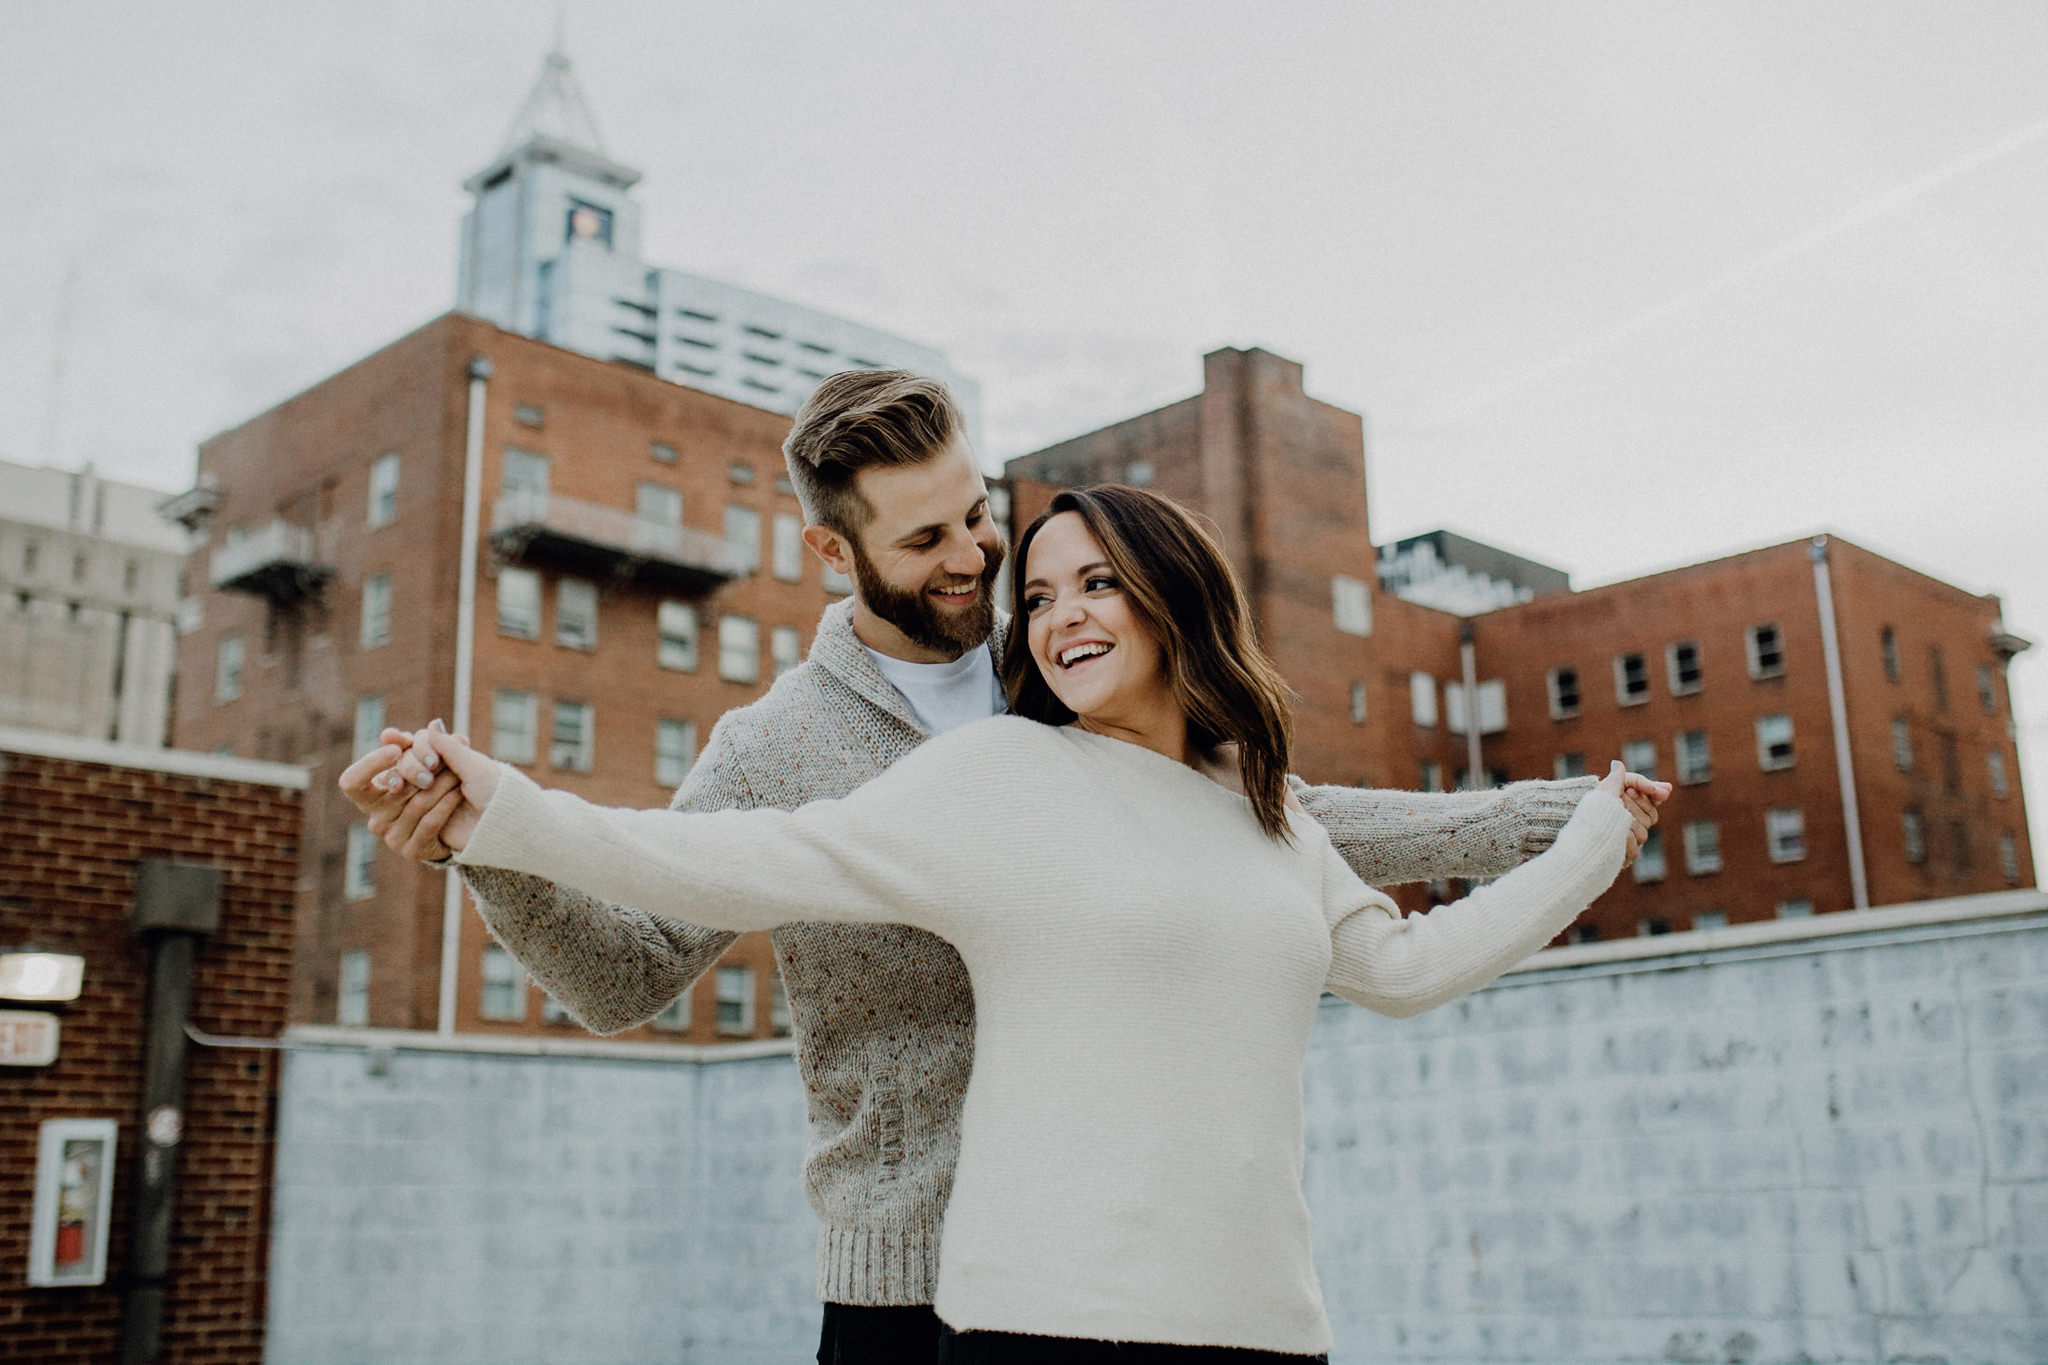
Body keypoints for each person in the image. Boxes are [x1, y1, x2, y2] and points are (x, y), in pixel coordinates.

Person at [341, 370, 1663, 1364]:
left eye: (977, 518)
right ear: (832, 553)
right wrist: (488, 845)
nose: (975, 558)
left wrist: (1569, 817)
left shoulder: (1067, 678)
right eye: (926, 542)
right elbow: (625, 965)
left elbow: (1284, 829)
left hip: (1151, 1271)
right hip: (909, 1281)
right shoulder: (775, 749)